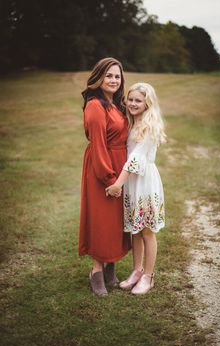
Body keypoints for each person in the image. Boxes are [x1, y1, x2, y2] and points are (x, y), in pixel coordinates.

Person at [106, 83, 166, 295]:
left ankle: (148, 276)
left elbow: (136, 159)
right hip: (133, 182)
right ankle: (137, 271)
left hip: (144, 181)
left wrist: (117, 184)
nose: (132, 103)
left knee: (147, 231)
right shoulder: (132, 122)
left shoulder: (149, 125)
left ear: (147, 103)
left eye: (138, 100)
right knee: (135, 230)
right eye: (130, 99)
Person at [79, 57, 131, 296]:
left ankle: (111, 266)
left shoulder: (118, 103)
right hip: (103, 168)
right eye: (108, 75)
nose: (113, 80)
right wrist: (110, 179)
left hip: (120, 166)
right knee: (102, 220)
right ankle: (97, 271)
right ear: (99, 77)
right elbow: (99, 145)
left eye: (117, 76)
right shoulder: (95, 105)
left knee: (117, 220)